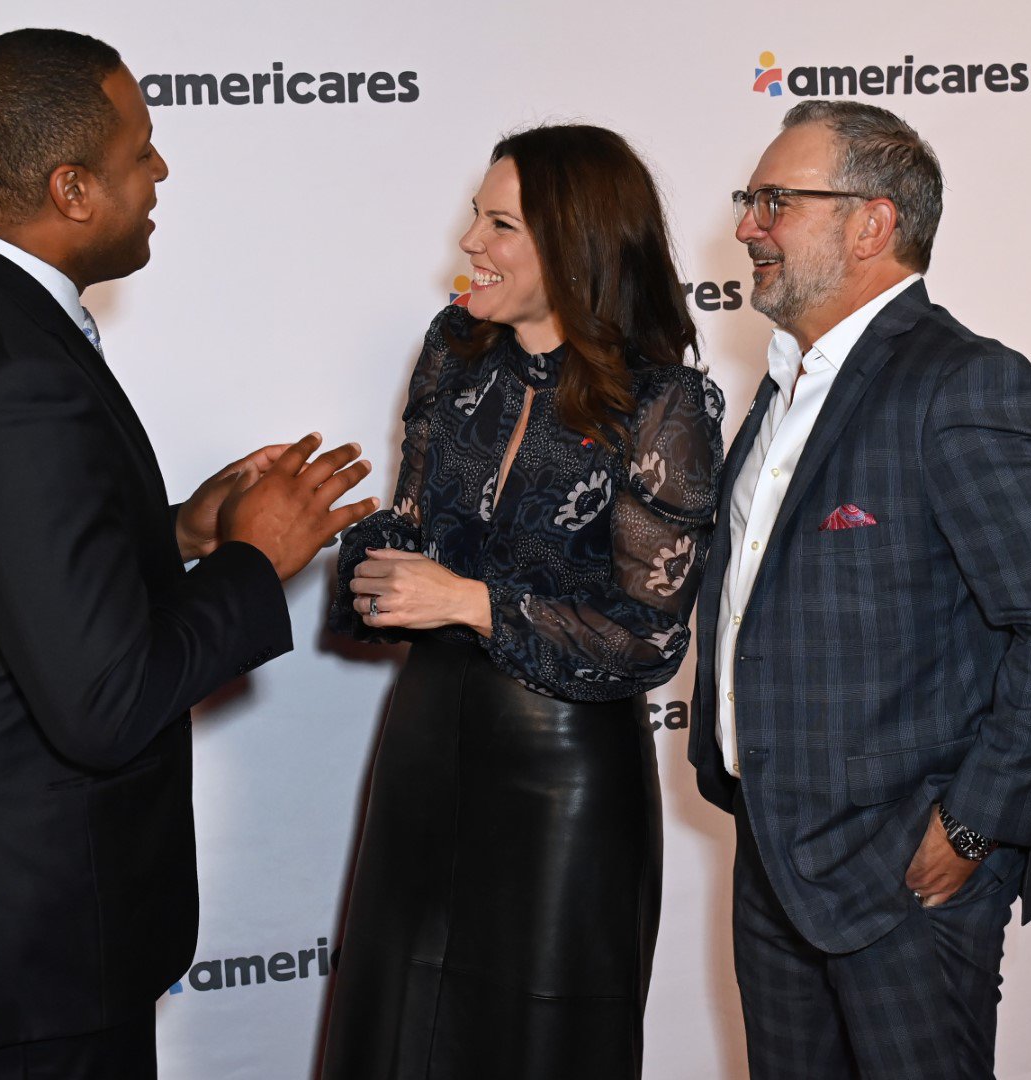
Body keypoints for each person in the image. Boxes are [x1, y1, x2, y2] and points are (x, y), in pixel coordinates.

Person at [0, 29, 375, 1080]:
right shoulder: (14, 374)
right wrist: (252, 564)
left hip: (7, 914)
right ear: (72, 187)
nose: (160, 170)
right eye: (140, 152)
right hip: (37, 930)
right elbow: (106, 698)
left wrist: (175, 530)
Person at [689, 100, 1031, 1079]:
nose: (747, 226)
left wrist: (974, 823)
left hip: (904, 880)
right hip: (776, 858)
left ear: (871, 223)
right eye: (749, 200)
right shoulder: (784, 388)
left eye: (775, 201)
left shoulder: (962, 384)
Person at [322, 124, 723, 1080]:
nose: (471, 244)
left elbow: (648, 640)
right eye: (476, 217)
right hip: (426, 738)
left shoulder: (663, 403)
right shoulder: (454, 350)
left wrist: (466, 601)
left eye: (502, 224)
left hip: (564, 774)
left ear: (577, 244)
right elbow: (414, 521)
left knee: (536, 1044)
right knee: (397, 1025)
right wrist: (347, 549)